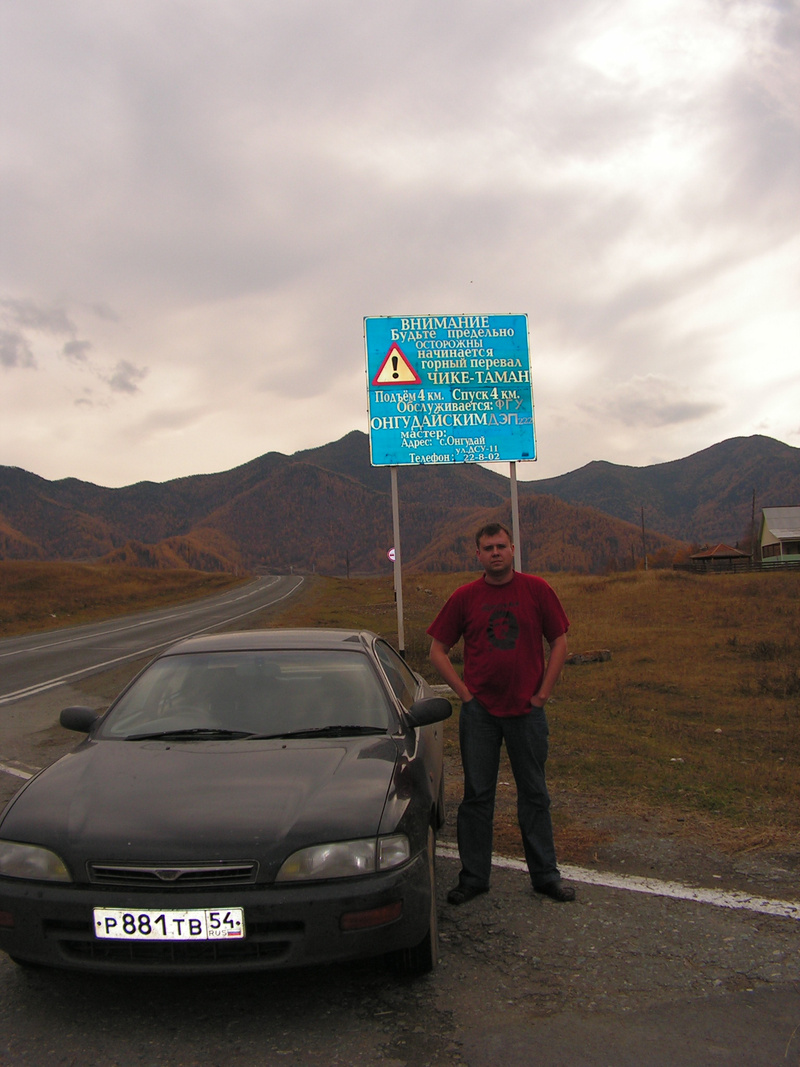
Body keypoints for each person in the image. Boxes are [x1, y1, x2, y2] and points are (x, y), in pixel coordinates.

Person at [427, 522, 575, 905]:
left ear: (512, 549)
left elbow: (559, 641)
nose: (495, 552)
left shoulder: (537, 590)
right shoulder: (465, 597)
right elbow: (437, 650)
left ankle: (546, 876)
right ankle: (473, 878)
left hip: (527, 711)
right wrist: (465, 694)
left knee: (534, 794)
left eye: (501, 546)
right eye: (488, 548)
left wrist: (543, 694)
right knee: (477, 797)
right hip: (481, 715)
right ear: (478, 554)